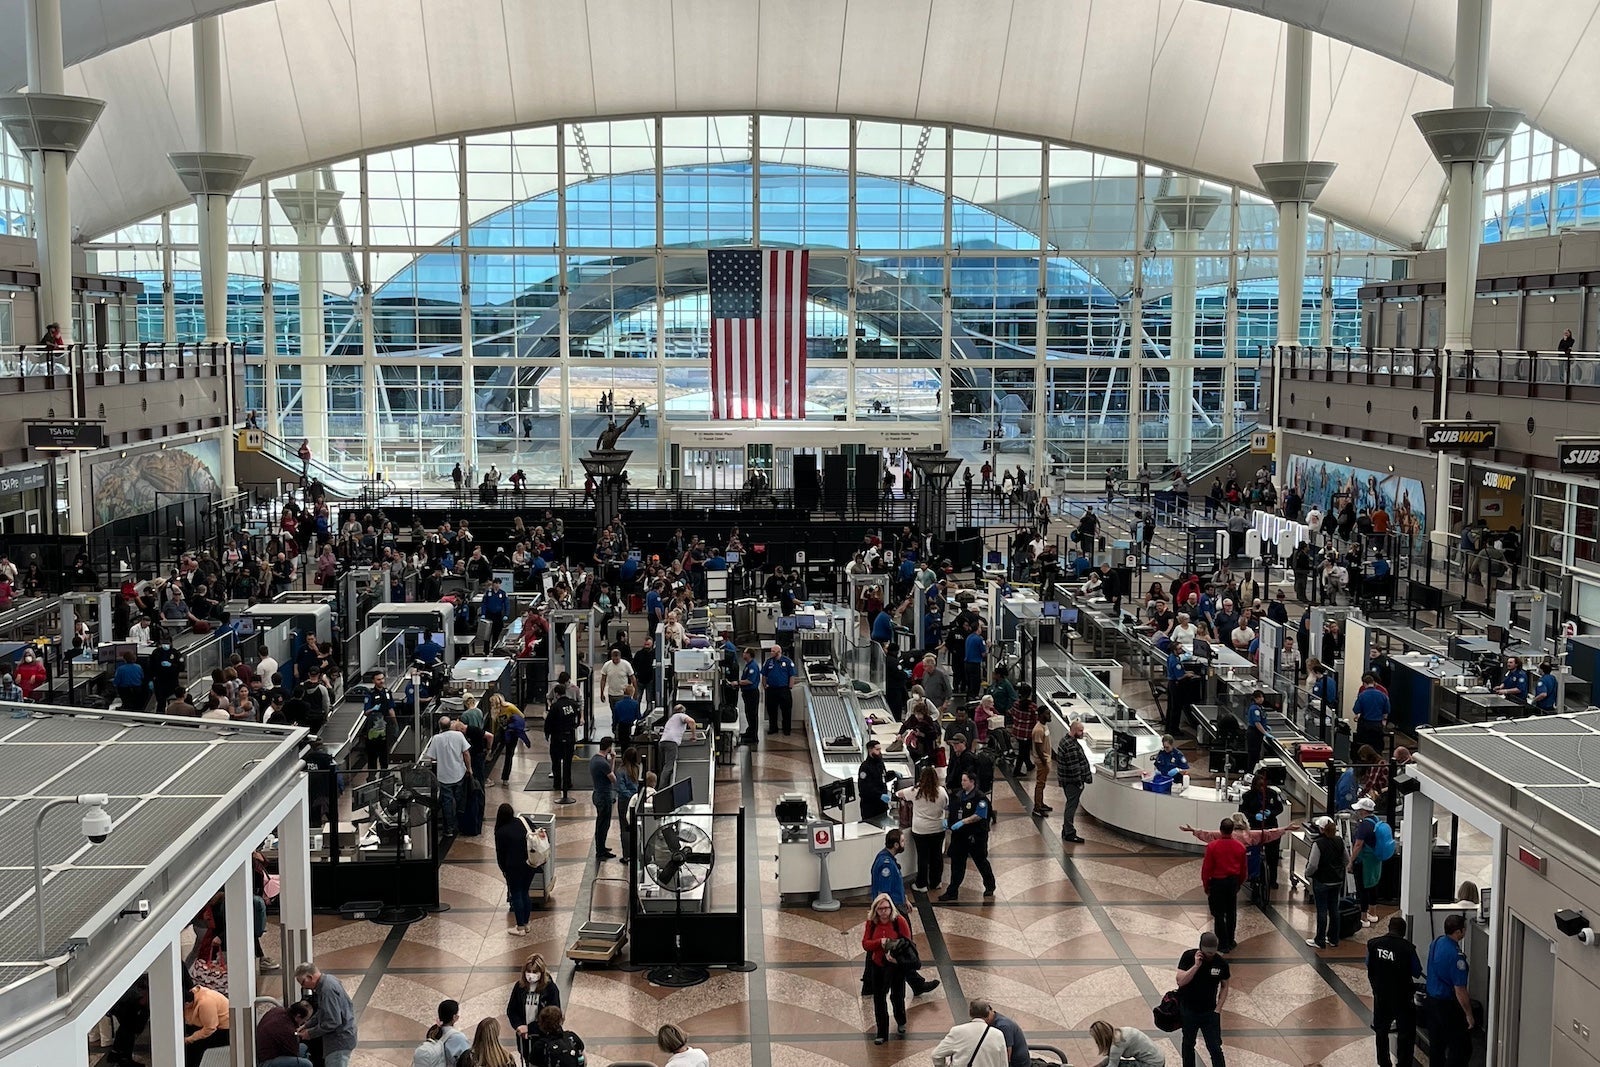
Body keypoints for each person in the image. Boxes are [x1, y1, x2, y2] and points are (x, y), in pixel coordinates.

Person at [1367, 915, 1423, 1067]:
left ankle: (1384, 1062)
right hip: (1403, 997)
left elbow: (1369, 965)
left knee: (1381, 1030)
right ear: (1403, 932)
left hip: (1381, 995)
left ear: (1389, 928)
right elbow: (1417, 971)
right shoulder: (1407, 948)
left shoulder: (1374, 944)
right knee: (1406, 1032)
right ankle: (1404, 1063)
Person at [861, 892, 913, 1044]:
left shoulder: (899, 921)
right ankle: (881, 1032)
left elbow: (907, 942)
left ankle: (901, 1020)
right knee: (879, 999)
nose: (884, 912)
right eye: (880, 909)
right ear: (875, 910)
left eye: (886, 908)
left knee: (897, 996)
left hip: (896, 966)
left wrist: (896, 954)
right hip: (878, 965)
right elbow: (866, 944)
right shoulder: (871, 923)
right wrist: (880, 942)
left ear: (891, 908)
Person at [938, 770, 995, 900]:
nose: (962, 783)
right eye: (962, 780)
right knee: (957, 863)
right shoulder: (958, 795)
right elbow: (952, 809)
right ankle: (952, 891)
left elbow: (979, 815)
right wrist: (948, 820)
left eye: (965, 780)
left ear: (972, 782)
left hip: (976, 836)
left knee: (981, 861)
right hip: (960, 836)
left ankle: (990, 885)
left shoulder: (980, 797)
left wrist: (963, 822)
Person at [1425, 914, 1474, 1067]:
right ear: (1458, 932)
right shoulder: (1456, 957)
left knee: (1436, 1045)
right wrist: (1468, 1014)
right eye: (1464, 929)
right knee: (1461, 1047)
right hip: (1446, 1004)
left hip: (1431, 1000)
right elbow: (1460, 989)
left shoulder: (1437, 942)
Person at [1174, 932, 1230, 1067]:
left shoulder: (1221, 963)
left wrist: (1218, 1009)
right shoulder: (1188, 957)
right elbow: (1181, 981)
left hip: (1209, 1012)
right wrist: (1196, 966)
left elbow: (1225, 985)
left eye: (1213, 952)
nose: (1210, 955)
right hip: (1189, 1010)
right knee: (1188, 1044)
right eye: (1207, 952)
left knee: (1215, 1048)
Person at [895, 765, 949, 893]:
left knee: (922, 857)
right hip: (938, 828)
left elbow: (899, 794)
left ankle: (921, 884)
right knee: (937, 856)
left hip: (921, 830)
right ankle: (936, 882)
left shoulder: (916, 791)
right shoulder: (941, 791)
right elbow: (947, 805)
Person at [295, 961, 358, 1067]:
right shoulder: (329, 980)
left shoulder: (326, 990)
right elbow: (323, 1011)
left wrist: (310, 1033)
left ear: (310, 977)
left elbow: (333, 1021)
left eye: (303, 983)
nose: (304, 987)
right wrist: (307, 1025)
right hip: (342, 1039)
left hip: (338, 1042)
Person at [1199, 819, 1246, 953]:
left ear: (1220, 830)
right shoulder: (1240, 847)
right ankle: (1231, 940)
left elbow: (1206, 868)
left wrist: (1206, 885)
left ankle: (1222, 943)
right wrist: (1238, 883)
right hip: (1232, 882)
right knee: (1231, 912)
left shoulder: (1212, 846)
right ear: (1232, 830)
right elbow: (1244, 869)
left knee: (1218, 914)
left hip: (1217, 882)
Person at [506, 954, 563, 1063]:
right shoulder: (519, 987)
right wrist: (519, 1025)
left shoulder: (550, 989)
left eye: (534, 972)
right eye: (528, 971)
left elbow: (554, 1017)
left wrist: (530, 1028)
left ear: (541, 973)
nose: (530, 975)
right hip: (524, 1038)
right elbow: (511, 1010)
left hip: (543, 1037)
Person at [423, 718, 473, 835]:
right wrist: (469, 769)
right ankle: (461, 825)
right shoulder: (459, 736)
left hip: (444, 776)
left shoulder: (436, 739)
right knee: (460, 800)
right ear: (450, 724)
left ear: (440, 727)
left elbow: (432, 758)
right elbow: (466, 753)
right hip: (459, 773)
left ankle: (449, 829)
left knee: (447, 803)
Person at [1304, 815, 1348, 949]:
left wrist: (1307, 874)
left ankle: (1320, 940)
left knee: (1322, 910)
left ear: (1321, 829)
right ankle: (1334, 939)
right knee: (1334, 909)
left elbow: (1313, 865)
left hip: (1322, 881)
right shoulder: (1340, 841)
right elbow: (1346, 859)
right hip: (1337, 881)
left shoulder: (1318, 844)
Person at [493, 803, 537, 935]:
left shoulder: (501, 832)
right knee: (525, 892)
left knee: (517, 894)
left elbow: (500, 853)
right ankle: (527, 923)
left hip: (513, 867)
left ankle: (520, 927)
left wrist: (503, 869)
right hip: (530, 863)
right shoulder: (524, 821)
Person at [930, 999, 1009, 1067]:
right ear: (988, 1014)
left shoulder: (957, 1031)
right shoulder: (998, 1034)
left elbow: (936, 1055)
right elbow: (1003, 1063)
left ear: (970, 1013)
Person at [1054, 717, 1092, 844]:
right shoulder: (1071, 746)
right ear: (1074, 730)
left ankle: (1067, 829)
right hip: (1072, 782)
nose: (1082, 733)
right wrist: (1079, 782)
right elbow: (1074, 767)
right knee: (1071, 806)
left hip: (1067, 781)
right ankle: (1069, 832)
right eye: (1080, 731)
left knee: (1070, 804)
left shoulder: (1066, 741)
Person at [1348, 796, 1384, 925]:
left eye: (1359, 810)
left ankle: (1363, 918)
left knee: (1362, 888)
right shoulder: (1376, 821)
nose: (1357, 812)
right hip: (1375, 860)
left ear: (1364, 811)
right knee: (1373, 885)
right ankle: (1373, 913)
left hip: (1364, 861)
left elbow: (1358, 845)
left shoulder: (1364, 825)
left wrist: (1351, 861)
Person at [182, 983, 231, 1066]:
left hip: (226, 1030)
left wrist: (190, 1039)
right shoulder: (192, 996)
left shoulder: (205, 1003)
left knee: (194, 1046)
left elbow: (210, 1028)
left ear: (187, 1003)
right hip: (209, 1024)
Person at [545, 683, 580, 795]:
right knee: (567, 761)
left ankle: (557, 783)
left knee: (556, 761)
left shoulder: (555, 706)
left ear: (556, 693)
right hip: (570, 735)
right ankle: (567, 782)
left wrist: (547, 733)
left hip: (557, 737)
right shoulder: (573, 704)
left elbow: (548, 722)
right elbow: (578, 717)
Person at [257, 1000, 314, 1067]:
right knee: (307, 1064)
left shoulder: (277, 1011)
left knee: (303, 1047)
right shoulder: (287, 1029)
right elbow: (293, 1052)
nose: (304, 1022)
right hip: (267, 1060)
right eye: (304, 1020)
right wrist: (297, 1035)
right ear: (298, 1016)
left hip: (267, 1051)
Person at [1087, 1019, 1165, 1067]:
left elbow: (1112, 1064)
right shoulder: (1121, 1032)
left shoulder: (1117, 1045)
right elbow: (1112, 1058)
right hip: (1159, 1058)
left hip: (1153, 1064)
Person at [590, 736, 617, 859]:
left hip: (597, 793)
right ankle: (600, 851)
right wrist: (613, 761)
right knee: (603, 824)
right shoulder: (602, 763)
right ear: (609, 747)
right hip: (604, 796)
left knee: (602, 823)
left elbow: (608, 773)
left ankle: (601, 847)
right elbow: (613, 779)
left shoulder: (595, 759)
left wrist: (612, 760)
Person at [761, 643, 797, 735]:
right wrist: (765, 685)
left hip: (784, 689)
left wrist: (790, 686)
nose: (771, 653)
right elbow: (764, 674)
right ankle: (773, 728)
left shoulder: (787, 661)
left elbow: (792, 675)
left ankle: (786, 729)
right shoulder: (769, 662)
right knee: (771, 710)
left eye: (773, 651)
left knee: (786, 711)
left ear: (778, 652)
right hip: (772, 689)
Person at [658, 705, 696, 788]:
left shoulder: (671, 719)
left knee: (663, 766)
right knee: (668, 767)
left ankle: (660, 784)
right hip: (671, 743)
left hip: (662, 742)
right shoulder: (681, 716)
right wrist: (693, 735)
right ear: (683, 711)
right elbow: (692, 721)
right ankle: (662, 789)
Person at [1352, 673, 1391, 753]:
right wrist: (1384, 721)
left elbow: (1356, 710)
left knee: (1363, 747)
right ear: (1373, 683)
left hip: (1365, 726)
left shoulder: (1362, 695)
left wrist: (1357, 716)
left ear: (1364, 683)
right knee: (1377, 747)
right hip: (1377, 725)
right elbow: (1387, 710)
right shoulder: (1382, 695)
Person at [858, 739, 891, 821]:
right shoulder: (865, 767)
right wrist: (879, 795)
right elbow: (865, 787)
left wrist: (893, 774)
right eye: (877, 750)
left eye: (880, 749)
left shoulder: (880, 763)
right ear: (870, 750)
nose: (879, 752)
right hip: (870, 805)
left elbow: (883, 777)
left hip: (882, 804)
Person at [1029, 705, 1052, 817]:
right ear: (1041, 715)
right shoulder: (1038, 729)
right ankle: (1037, 808)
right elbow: (1038, 747)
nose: (1049, 716)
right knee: (1040, 784)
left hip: (1046, 759)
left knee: (1042, 784)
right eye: (1047, 713)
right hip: (1042, 761)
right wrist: (1043, 761)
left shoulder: (1044, 726)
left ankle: (1041, 803)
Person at [1244, 689, 1269, 770]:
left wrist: (1266, 726)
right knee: (1253, 754)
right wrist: (1265, 732)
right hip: (1254, 733)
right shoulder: (1254, 709)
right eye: (1259, 698)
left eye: (1262, 697)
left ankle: (1254, 771)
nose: (1261, 699)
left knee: (1257, 753)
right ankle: (1250, 772)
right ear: (1255, 699)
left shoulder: (1260, 707)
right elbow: (1257, 723)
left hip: (1258, 732)